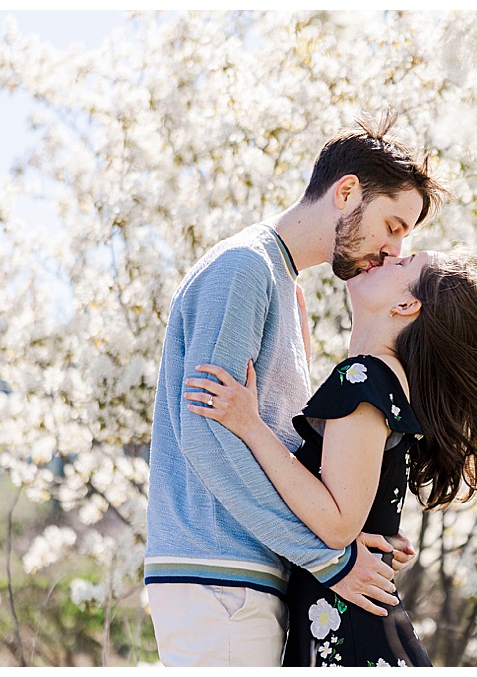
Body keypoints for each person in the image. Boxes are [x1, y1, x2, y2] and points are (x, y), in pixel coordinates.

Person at [143, 114, 440, 666]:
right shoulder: (243, 269)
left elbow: (272, 440)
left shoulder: (282, 285)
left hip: (245, 576)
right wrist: (331, 560)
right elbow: (207, 434)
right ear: (347, 191)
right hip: (219, 577)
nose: (394, 249)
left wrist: (359, 531)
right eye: (393, 225)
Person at [188, 248, 477, 666]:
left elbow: (338, 523)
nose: (388, 255)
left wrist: (250, 425)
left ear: (406, 305)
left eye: (403, 263)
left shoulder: (363, 378)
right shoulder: (380, 381)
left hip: (348, 637)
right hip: (355, 628)